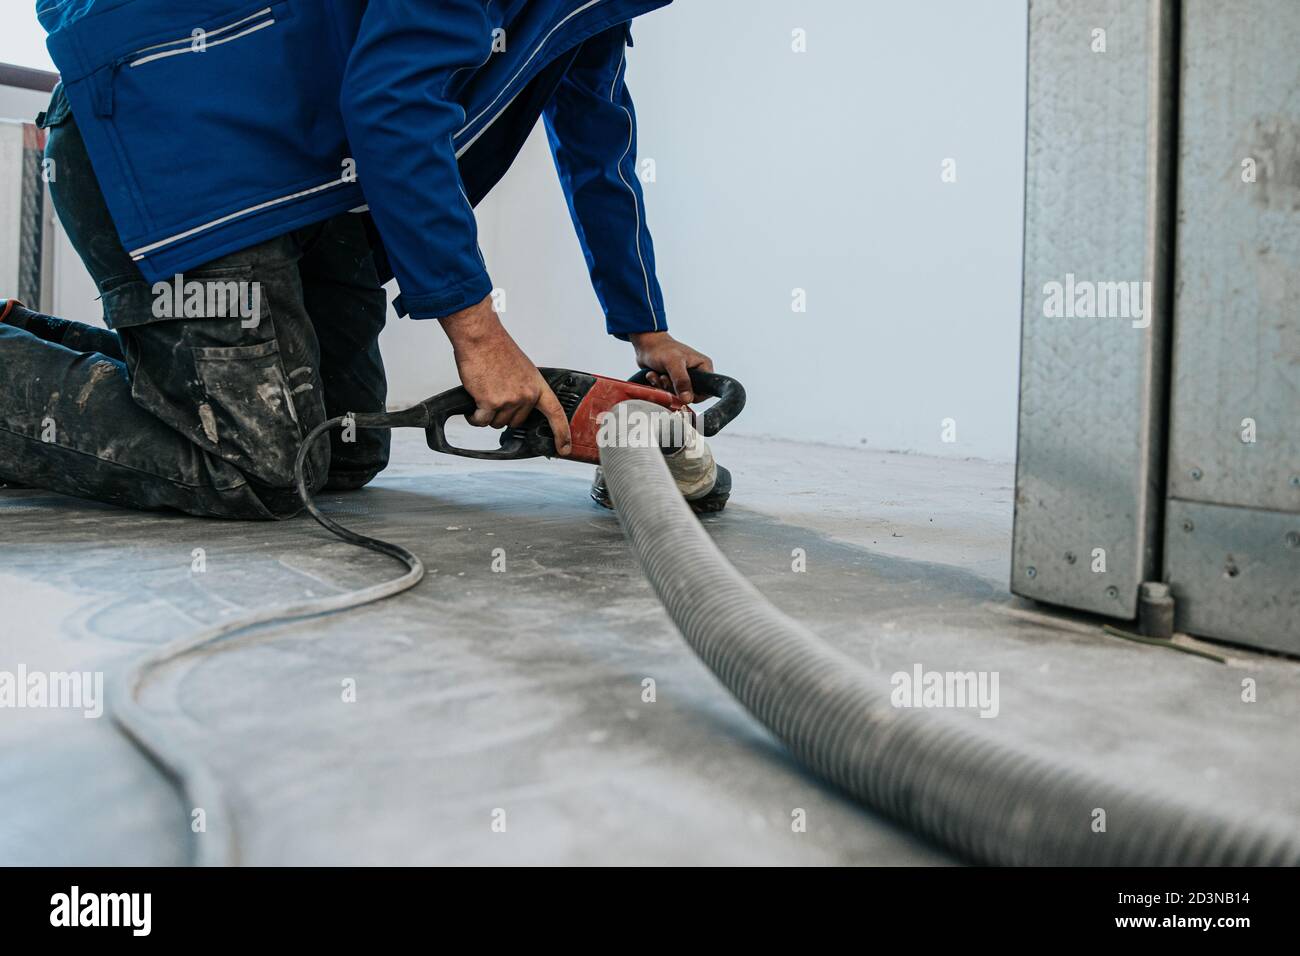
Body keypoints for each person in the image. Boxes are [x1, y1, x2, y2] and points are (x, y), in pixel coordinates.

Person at [0, 0, 711, 518]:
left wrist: (645, 328)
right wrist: (479, 335)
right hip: (180, 137)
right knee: (257, 464)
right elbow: (391, 102)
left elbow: (598, 149)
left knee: (341, 447)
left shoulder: (598, 8)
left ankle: (29, 340)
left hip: (305, 171)